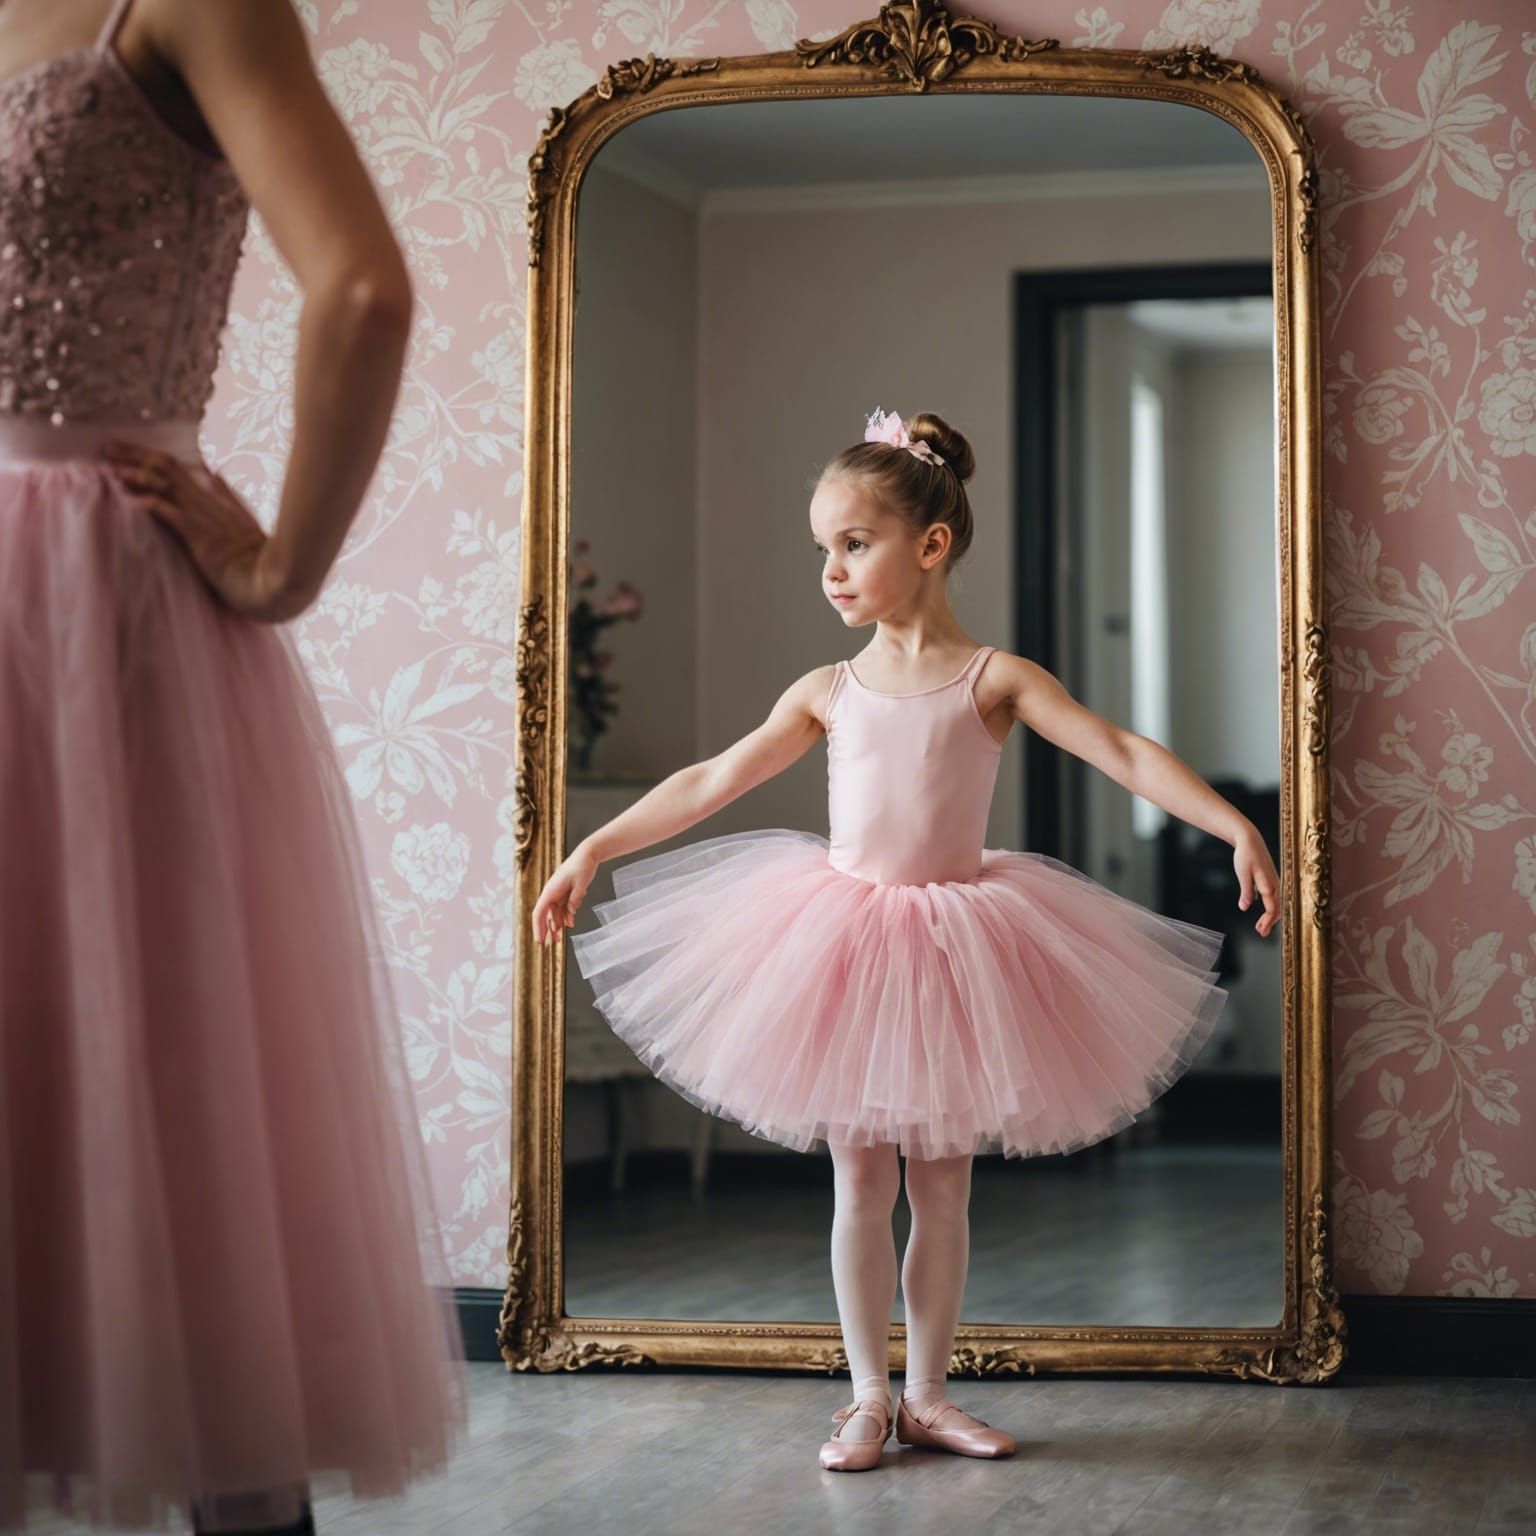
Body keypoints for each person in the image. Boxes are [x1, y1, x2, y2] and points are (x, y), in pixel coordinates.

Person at [532, 405, 1282, 1473]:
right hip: (842, 943)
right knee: (860, 1187)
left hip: (957, 950)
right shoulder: (826, 691)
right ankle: (866, 1397)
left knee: (942, 1190)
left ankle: (929, 1394)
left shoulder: (995, 679)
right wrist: (594, 847)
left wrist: (1234, 822)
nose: (831, 570)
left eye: (853, 544)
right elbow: (710, 782)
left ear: (929, 546)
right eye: (822, 550)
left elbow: (1119, 748)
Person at [0, 0, 467, 1530]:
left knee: (168, 1078)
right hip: (53, 593)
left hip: (96, 605)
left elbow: (364, 291)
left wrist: (282, 569)